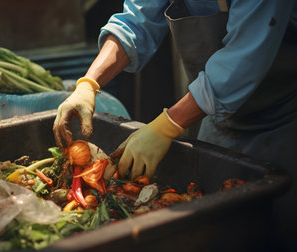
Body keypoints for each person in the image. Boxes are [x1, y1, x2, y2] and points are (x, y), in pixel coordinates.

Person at [53, 0, 297, 249]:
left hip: (281, 120)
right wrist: (89, 83)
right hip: (214, 116)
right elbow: (135, 22)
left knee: (273, 233)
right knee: (212, 229)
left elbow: (245, 59)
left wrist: (168, 124)